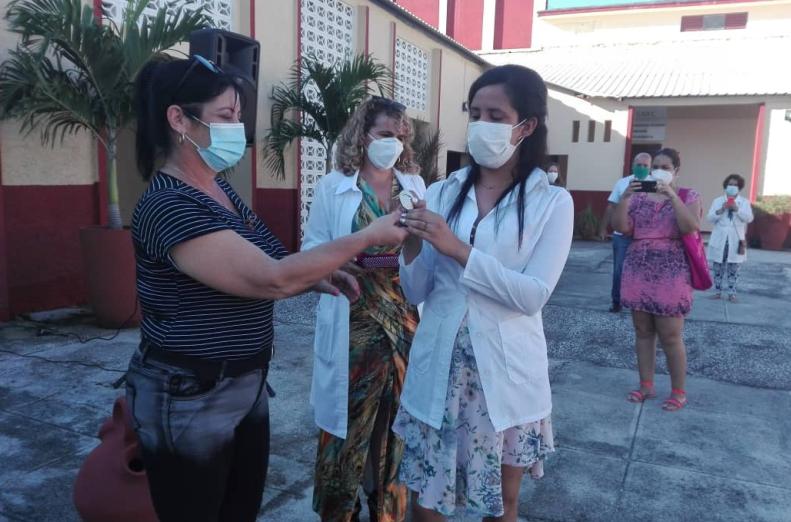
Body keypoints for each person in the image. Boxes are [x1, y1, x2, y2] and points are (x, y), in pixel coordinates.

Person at [127, 56, 407, 522]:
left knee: (239, 511)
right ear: (179, 119)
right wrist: (365, 237)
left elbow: (273, 265)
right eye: (224, 116)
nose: (237, 127)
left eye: (238, 116)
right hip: (191, 395)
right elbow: (270, 278)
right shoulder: (169, 204)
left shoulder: (220, 191)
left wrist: (314, 277)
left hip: (245, 384)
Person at [393, 64, 574, 521]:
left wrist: (457, 249)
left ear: (526, 126)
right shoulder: (442, 191)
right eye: (475, 113)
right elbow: (417, 289)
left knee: (502, 504)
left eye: (496, 115)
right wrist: (413, 241)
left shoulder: (553, 203)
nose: (481, 125)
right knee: (427, 499)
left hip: (504, 378)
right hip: (440, 367)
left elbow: (532, 295)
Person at [302, 96, 426, 522]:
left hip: (403, 323)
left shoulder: (415, 187)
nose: (393, 143)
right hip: (352, 320)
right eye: (384, 134)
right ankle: (341, 511)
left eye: (400, 135)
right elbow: (311, 250)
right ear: (363, 135)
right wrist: (340, 256)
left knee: (396, 428)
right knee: (348, 428)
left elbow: (426, 255)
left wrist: (412, 239)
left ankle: (386, 512)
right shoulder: (333, 187)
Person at [614, 148, 701, 413]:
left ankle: (678, 391)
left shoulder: (688, 196)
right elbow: (621, 227)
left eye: (666, 166)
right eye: (656, 166)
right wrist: (626, 197)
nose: (659, 170)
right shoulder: (638, 197)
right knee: (642, 332)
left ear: (676, 171)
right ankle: (646, 385)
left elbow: (689, 226)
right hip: (638, 268)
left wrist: (671, 194)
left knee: (671, 335)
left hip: (670, 273)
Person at [599, 152, 652, 313]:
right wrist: (602, 227)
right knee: (619, 271)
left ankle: (641, 302)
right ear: (633, 165)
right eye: (639, 164)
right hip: (621, 236)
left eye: (645, 165)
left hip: (644, 237)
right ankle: (616, 302)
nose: (641, 168)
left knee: (644, 271)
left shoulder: (655, 184)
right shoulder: (622, 183)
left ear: (650, 168)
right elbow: (611, 206)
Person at [707, 174, 754, 302]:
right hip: (720, 238)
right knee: (718, 267)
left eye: (735, 185)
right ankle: (717, 292)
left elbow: (749, 218)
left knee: (734, 268)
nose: (732, 187)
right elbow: (710, 218)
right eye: (730, 184)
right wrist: (721, 210)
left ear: (739, 187)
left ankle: (732, 294)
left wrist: (737, 210)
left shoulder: (744, 202)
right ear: (725, 186)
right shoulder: (717, 201)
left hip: (736, 239)